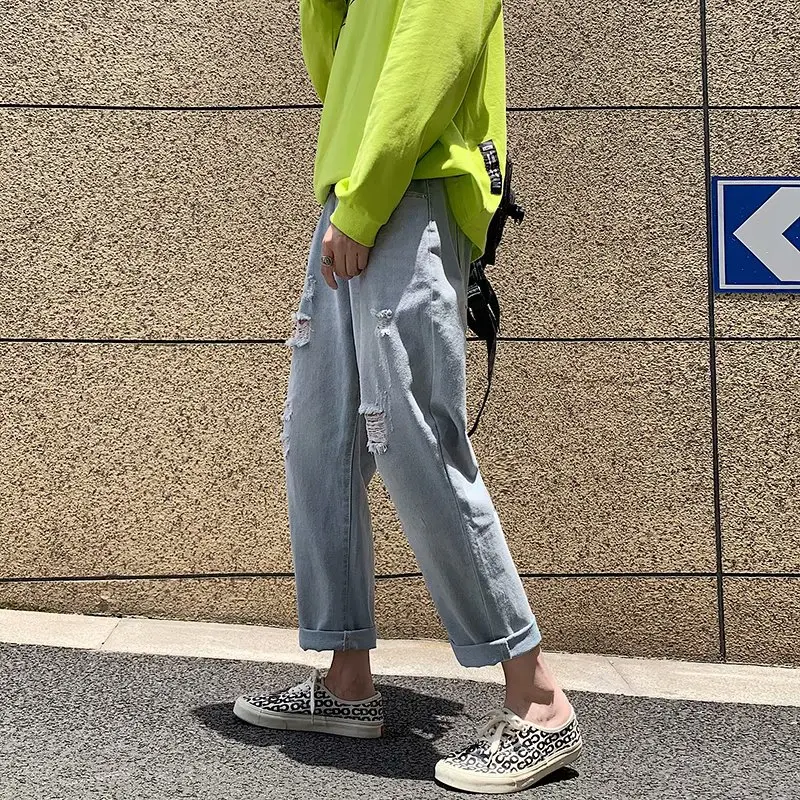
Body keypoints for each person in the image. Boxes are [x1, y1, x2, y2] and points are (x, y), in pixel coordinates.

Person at [233, 0, 584, 793]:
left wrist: (365, 202)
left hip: (409, 190)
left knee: (416, 440)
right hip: (353, 194)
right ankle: (346, 679)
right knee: (319, 440)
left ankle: (539, 702)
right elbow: (335, 74)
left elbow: (430, 57)